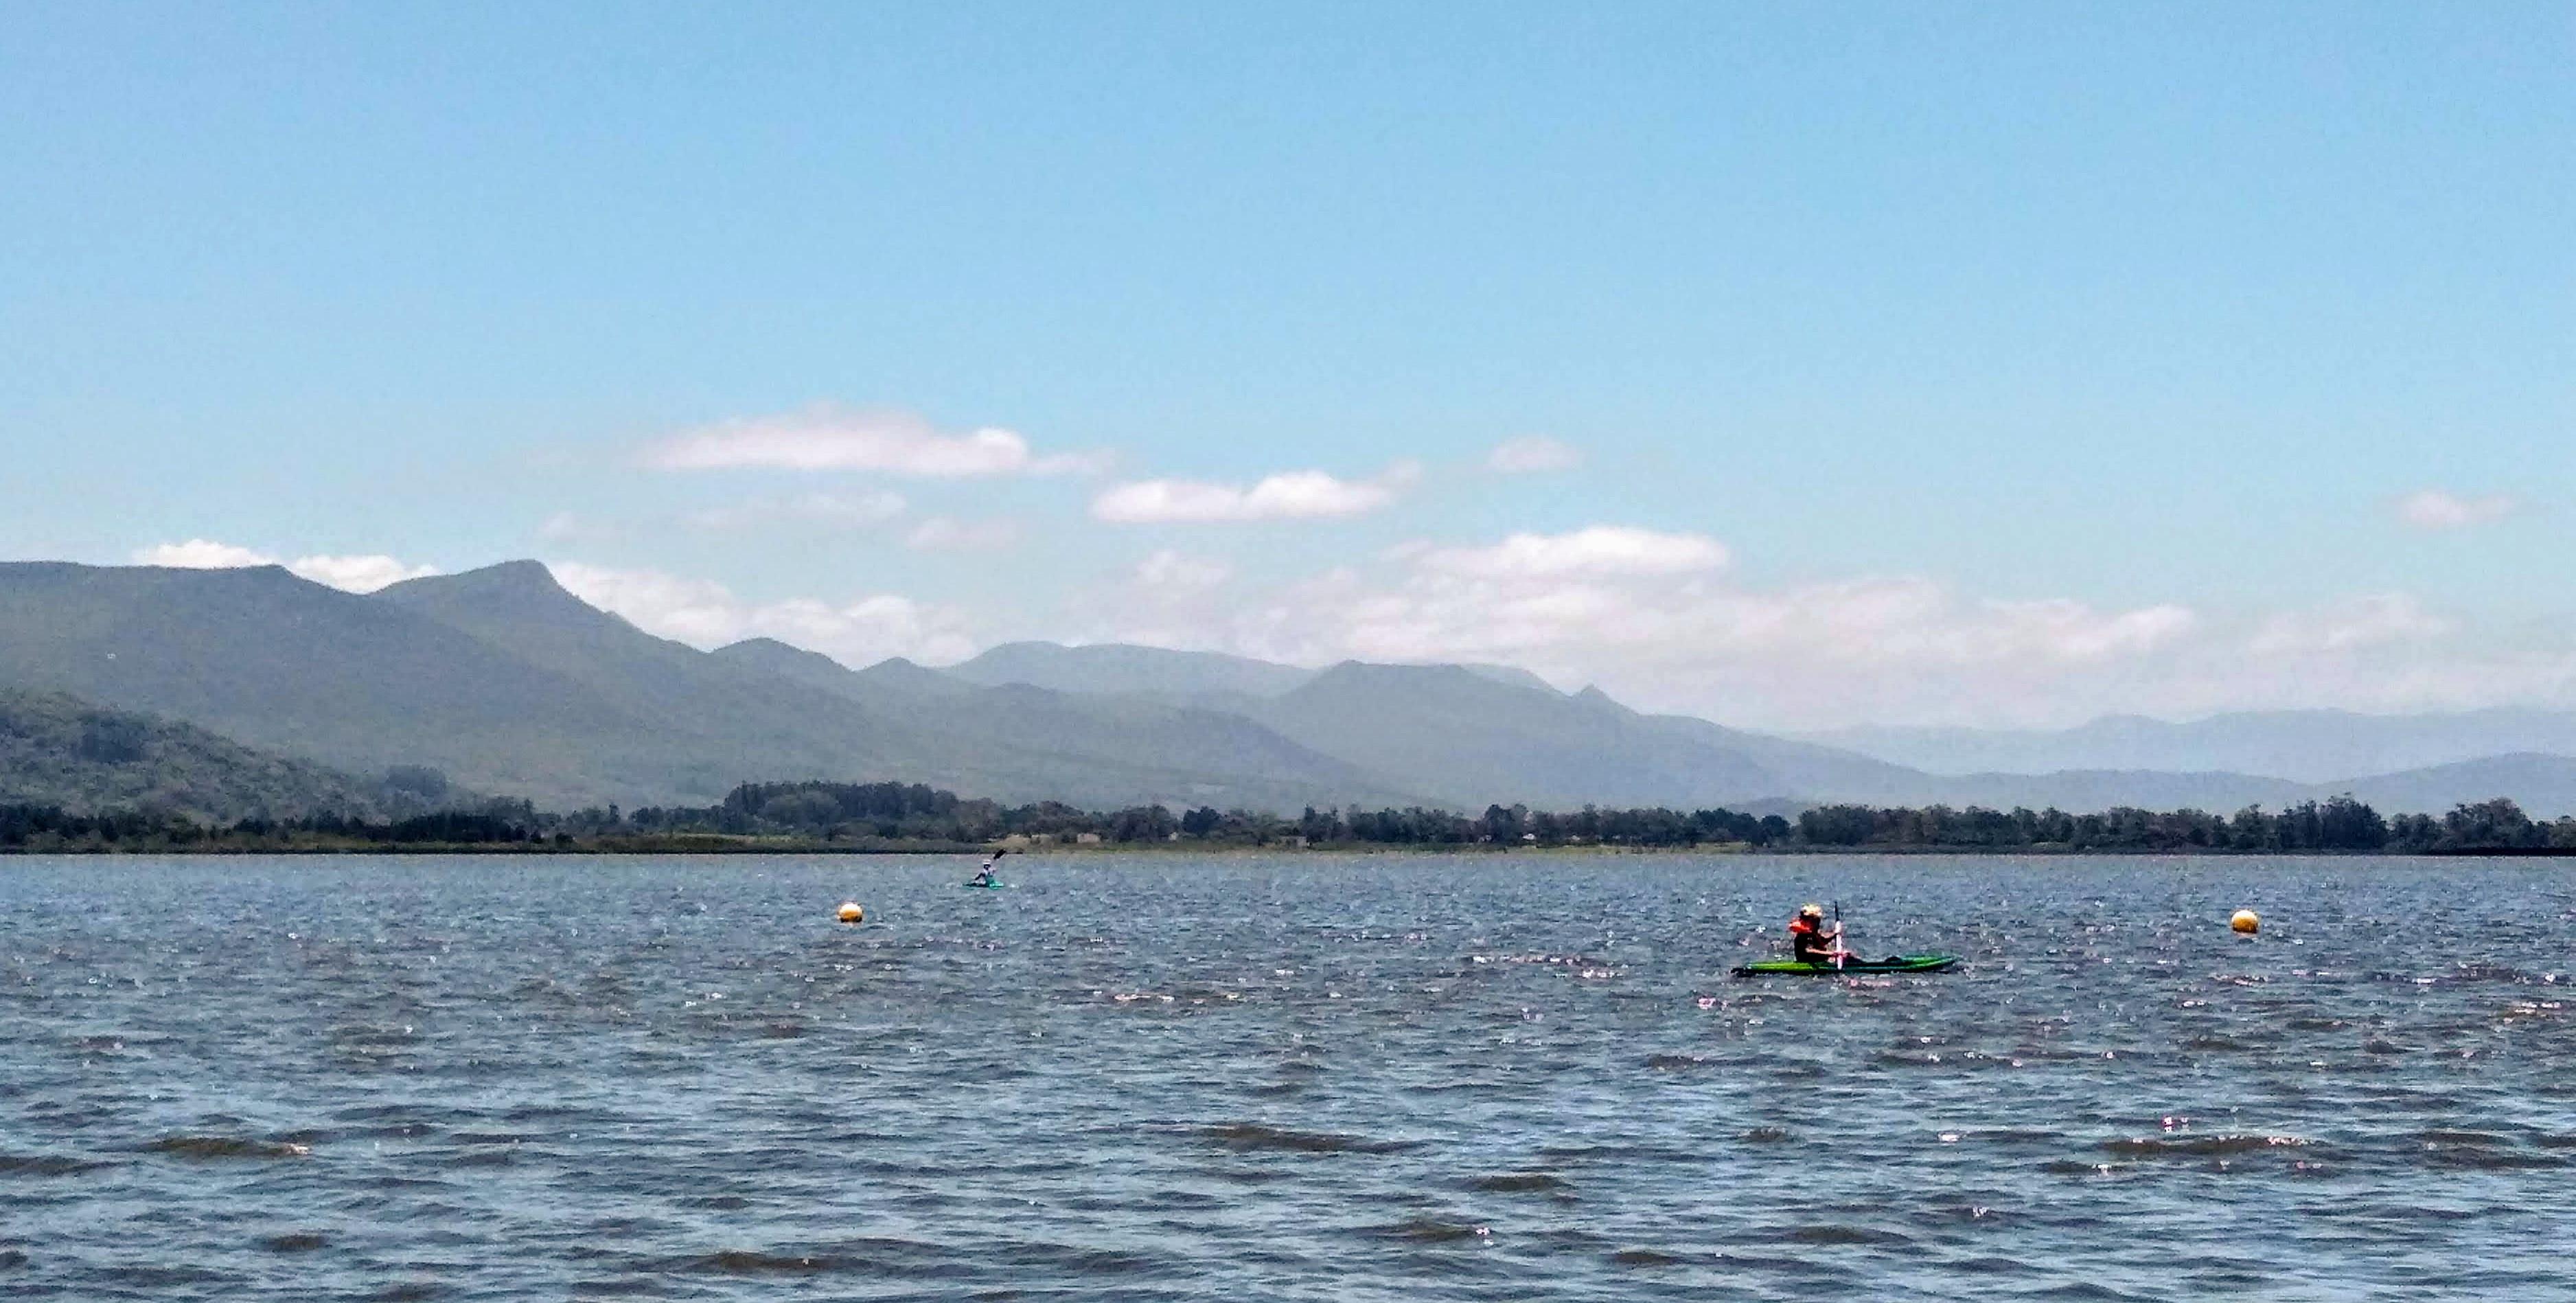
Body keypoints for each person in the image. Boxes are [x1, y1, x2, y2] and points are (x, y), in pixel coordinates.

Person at [1788, 903, 1852, 965]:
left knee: (1848, 956)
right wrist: (1832, 954)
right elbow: (1809, 950)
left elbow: (1822, 941)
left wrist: (1835, 934)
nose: (1818, 924)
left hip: (1818, 961)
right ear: (1810, 921)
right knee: (1847, 958)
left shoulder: (1812, 933)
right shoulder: (1804, 936)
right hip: (1807, 962)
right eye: (1817, 922)